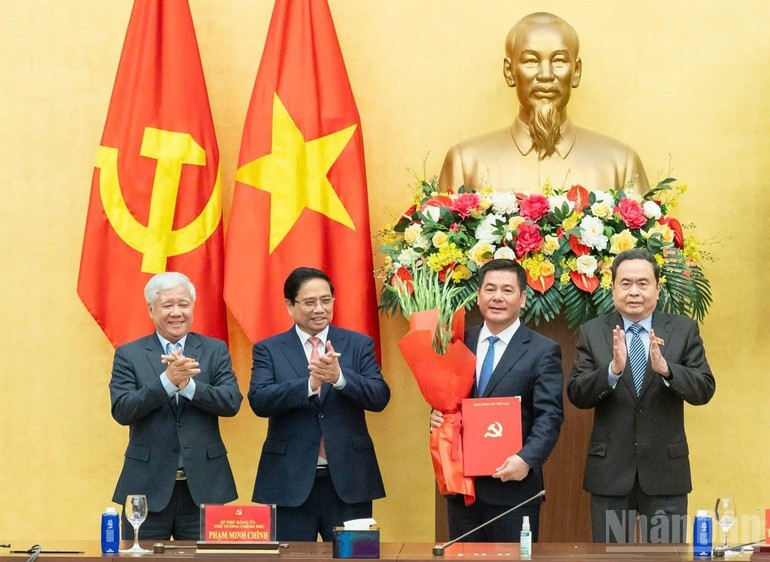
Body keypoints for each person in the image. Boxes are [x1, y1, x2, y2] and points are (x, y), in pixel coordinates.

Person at [567, 249, 715, 543]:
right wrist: (611, 371)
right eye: (626, 283)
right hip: (610, 473)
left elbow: (704, 388)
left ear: (657, 289)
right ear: (613, 289)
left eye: (643, 283)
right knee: (611, 559)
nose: (634, 291)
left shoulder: (683, 330)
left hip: (665, 473)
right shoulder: (593, 332)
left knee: (666, 557)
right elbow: (577, 393)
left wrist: (668, 370)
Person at [249, 267, 390, 542]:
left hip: (350, 479)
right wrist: (309, 385)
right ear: (290, 305)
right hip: (289, 480)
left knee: (353, 557)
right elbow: (260, 400)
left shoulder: (358, 344)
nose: (319, 309)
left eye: (326, 301)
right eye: (310, 302)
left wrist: (339, 378)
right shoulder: (269, 349)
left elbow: (379, 396)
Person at [439, 12, 648, 193]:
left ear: (576, 72)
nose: (546, 75)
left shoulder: (621, 165)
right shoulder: (465, 163)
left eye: (559, 60)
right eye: (531, 60)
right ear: (509, 72)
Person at [431, 259, 564, 542]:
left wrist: (527, 459)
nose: (497, 297)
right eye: (490, 289)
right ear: (478, 296)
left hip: (513, 488)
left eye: (507, 290)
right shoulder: (456, 344)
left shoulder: (543, 351)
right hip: (462, 487)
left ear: (523, 297)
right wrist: (436, 415)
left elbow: (549, 415)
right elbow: (445, 400)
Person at [109, 272, 242, 540]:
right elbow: (122, 409)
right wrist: (166, 383)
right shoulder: (129, 354)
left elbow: (231, 402)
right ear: (151, 309)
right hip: (146, 486)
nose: (176, 312)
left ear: (193, 307)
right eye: (167, 305)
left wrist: (188, 387)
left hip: (205, 485)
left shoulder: (214, 350)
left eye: (183, 304)